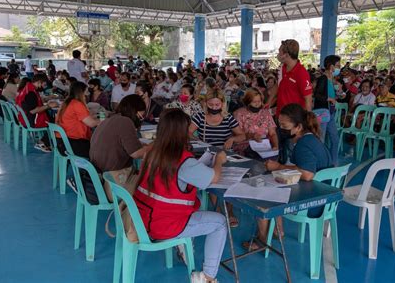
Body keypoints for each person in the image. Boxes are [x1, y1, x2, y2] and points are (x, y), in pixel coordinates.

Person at [134, 108, 227, 283]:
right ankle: (207, 277)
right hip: (163, 224)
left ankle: (183, 244)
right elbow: (214, 177)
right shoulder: (183, 160)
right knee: (220, 223)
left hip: (142, 217)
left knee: (194, 206)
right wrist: (219, 161)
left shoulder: (151, 152)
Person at [246, 103, 331, 248]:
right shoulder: (311, 138)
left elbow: (307, 174)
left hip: (314, 201)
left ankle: (262, 239)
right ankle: (278, 231)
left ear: (298, 127)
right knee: (274, 184)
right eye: (279, 125)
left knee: (262, 195)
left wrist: (278, 166)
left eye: (285, 127)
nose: (281, 130)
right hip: (324, 193)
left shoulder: (303, 145)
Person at [90, 94, 148, 200]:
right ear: (136, 111)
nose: (142, 118)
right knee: (149, 178)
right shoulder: (125, 122)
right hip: (113, 182)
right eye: (141, 115)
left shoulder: (110, 119)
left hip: (98, 178)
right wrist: (155, 145)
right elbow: (136, 153)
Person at [56, 81, 99, 159]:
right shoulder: (77, 104)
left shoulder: (67, 102)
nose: (87, 94)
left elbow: (82, 117)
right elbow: (91, 123)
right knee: (100, 149)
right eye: (86, 92)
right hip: (72, 143)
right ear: (81, 92)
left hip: (62, 142)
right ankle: (89, 170)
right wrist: (104, 121)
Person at [15, 74, 58, 152]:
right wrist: (48, 106)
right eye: (44, 84)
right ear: (39, 82)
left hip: (25, 118)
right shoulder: (31, 93)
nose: (44, 86)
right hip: (30, 120)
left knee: (53, 119)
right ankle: (42, 142)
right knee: (57, 123)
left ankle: (46, 140)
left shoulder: (28, 88)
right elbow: (33, 111)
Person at [233, 88, 278, 156]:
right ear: (248, 102)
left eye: (259, 101)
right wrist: (253, 136)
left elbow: (272, 133)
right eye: (254, 102)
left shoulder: (266, 113)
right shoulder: (239, 113)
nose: (257, 104)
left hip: (264, 147)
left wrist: (275, 146)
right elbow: (239, 135)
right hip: (246, 148)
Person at [314, 55, 341, 166]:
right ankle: (319, 164)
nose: (339, 68)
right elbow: (317, 95)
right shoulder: (323, 79)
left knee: (335, 139)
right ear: (331, 66)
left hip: (330, 112)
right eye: (338, 66)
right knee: (321, 140)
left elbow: (331, 95)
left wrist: (338, 94)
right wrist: (329, 99)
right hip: (322, 113)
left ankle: (333, 163)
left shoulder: (332, 80)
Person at [276, 39, 313, 116]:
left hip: (294, 119)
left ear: (286, 55)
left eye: (280, 52)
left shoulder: (301, 73)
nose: (278, 54)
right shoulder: (282, 68)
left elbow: (308, 99)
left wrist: (308, 120)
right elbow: (278, 86)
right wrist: (268, 103)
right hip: (281, 115)